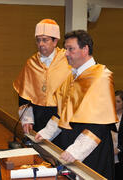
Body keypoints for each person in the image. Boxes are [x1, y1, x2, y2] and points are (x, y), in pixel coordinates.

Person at [35, 30, 118, 180]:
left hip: (92, 151)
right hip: (70, 148)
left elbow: (99, 125)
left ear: (85, 49)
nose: (66, 53)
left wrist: (76, 151)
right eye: (65, 48)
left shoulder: (101, 76)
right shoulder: (72, 76)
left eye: (70, 49)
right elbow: (62, 113)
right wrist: (46, 133)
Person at [13, 19, 71, 135]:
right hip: (38, 116)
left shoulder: (68, 60)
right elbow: (24, 96)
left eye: (45, 40)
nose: (41, 44)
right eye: (38, 40)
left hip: (61, 117)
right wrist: (27, 120)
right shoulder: (31, 63)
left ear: (55, 42)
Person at [113, 90, 123, 180]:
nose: (115, 103)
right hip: (108, 154)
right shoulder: (107, 115)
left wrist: (119, 149)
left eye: (118, 101)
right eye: (113, 100)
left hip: (122, 156)